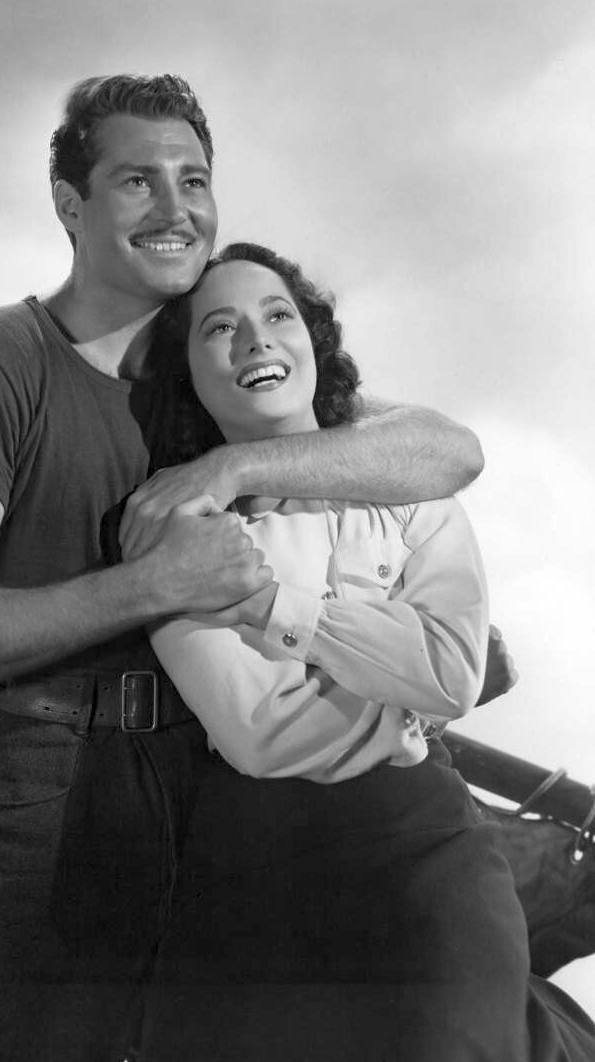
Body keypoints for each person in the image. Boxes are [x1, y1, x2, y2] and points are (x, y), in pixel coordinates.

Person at [0, 75, 488, 1062]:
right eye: (137, 181)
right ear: (69, 204)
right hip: (36, 777)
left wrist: (234, 464)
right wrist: (150, 586)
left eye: (193, 180)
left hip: (203, 783)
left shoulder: (220, 363)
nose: (175, 210)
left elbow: (446, 452)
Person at [133, 243, 595, 1061]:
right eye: (219, 328)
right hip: (249, 867)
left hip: (425, 844)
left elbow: (450, 675)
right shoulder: (170, 523)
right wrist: (397, 694)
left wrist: (271, 608)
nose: (256, 340)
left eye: (277, 315)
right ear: (187, 371)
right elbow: (262, 734)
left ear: (311, 339)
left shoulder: (414, 490)